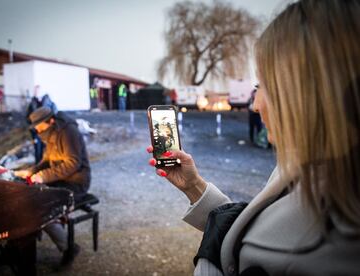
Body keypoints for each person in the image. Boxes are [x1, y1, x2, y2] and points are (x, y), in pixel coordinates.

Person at [147, 0, 360, 275]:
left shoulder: (319, 256)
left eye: (262, 86)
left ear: (308, 93)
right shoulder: (305, 166)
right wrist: (194, 187)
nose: (255, 104)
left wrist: (208, 261)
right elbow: (254, 228)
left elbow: (251, 246)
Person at [15, 106, 91, 266]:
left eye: (38, 125)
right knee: (30, 198)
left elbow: (73, 163)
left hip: (76, 182)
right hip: (61, 179)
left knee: (43, 206)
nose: (36, 128)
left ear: (50, 121)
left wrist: (43, 176)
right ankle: (23, 242)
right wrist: (31, 171)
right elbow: (46, 161)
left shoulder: (69, 132)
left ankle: (68, 248)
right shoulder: (50, 133)